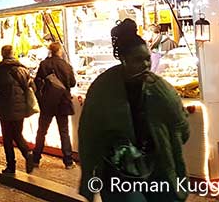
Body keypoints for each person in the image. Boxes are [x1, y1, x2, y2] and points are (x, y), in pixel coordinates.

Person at [79, 19, 188, 202]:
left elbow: (181, 125)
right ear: (124, 60)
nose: (146, 65)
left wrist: (169, 144)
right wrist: (89, 177)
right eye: (138, 60)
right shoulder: (103, 88)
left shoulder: (159, 88)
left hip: (158, 166)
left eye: (147, 59)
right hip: (118, 171)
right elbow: (88, 133)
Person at [0, 45, 35, 175]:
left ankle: (11, 166)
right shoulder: (23, 70)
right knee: (17, 134)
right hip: (20, 108)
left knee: (8, 138)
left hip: (4, 108)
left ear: (3, 54)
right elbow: (32, 88)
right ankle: (27, 153)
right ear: (13, 54)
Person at [33, 42, 77, 168]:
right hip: (63, 102)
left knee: (41, 131)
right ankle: (68, 161)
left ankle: (36, 158)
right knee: (64, 131)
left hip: (47, 102)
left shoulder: (44, 64)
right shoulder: (66, 65)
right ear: (60, 51)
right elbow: (73, 83)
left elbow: (37, 81)